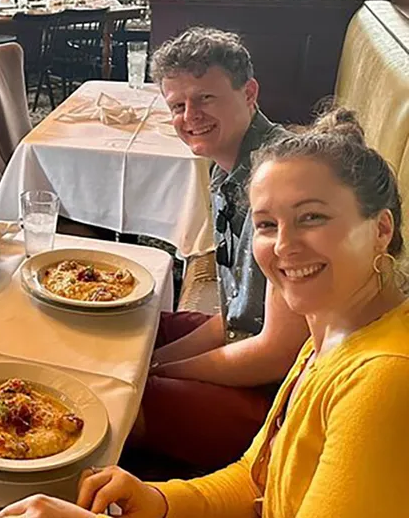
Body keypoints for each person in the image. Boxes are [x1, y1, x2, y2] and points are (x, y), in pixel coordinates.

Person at [0, 110, 409, 517]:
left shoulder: (384, 379)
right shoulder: (334, 331)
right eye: (266, 224)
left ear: (381, 229)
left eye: (312, 217)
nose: (284, 246)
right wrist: (159, 501)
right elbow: (253, 479)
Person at [124, 27, 309, 474]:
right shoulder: (230, 161)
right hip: (250, 345)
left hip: (282, 402)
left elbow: (277, 352)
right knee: (131, 322)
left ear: (249, 93)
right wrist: (158, 359)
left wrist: (158, 375)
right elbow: (235, 317)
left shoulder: (278, 183)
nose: (191, 116)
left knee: (113, 403)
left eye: (206, 98)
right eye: (178, 105)